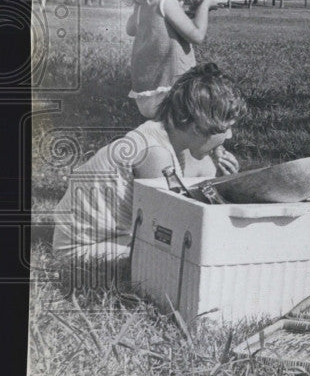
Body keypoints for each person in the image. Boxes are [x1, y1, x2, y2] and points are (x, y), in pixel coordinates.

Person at [53, 63, 244, 288]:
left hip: (114, 239)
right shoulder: (154, 153)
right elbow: (170, 225)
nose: (229, 136)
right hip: (82, 250)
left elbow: (199, 178)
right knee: (177, 258)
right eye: (225, 129)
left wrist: (220, 178)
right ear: (198, 127)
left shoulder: (169, 137)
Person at [127, 0, 220, 119]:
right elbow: (197, 35)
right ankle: (213, 147)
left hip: (146, 92)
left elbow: (131, 29)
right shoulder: (166, 1)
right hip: (173, 91)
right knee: (208, 114)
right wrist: (205, 5)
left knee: (168, 135)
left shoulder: (144, 2)